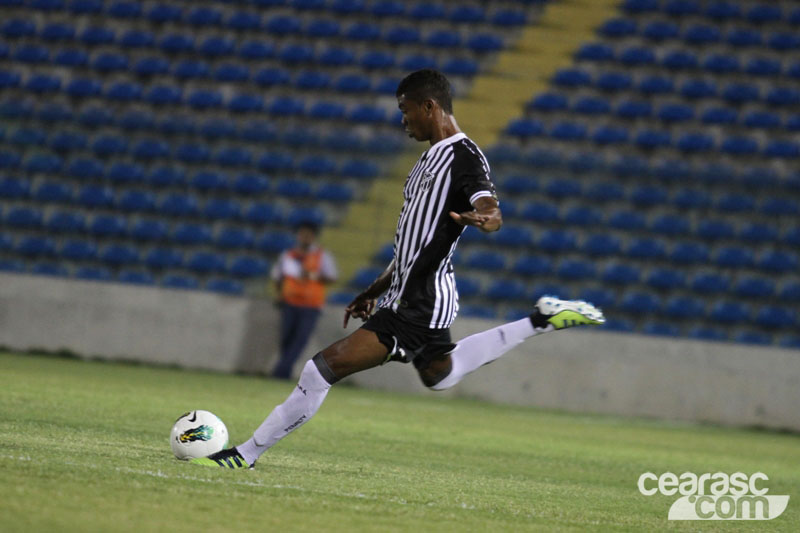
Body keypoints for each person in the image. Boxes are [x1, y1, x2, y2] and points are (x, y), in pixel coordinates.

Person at [193, 69, 605, 469]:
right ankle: (541, 319)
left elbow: (489, 207)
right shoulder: (425, 162)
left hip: (420, 302)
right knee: (439, 376)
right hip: (407, 294)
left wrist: (487, 219)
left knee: (320, 368)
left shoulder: (464, 156)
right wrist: (376, 288)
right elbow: (411, 243)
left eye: (405, 110)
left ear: (429, 106)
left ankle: (244, 454)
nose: (403, 120)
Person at [270, 222, 337, 379]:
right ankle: (283, 370)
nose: (305, 238)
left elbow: (332, 277)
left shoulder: (322, 256)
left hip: (311, 306)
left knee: (300, 339)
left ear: (313, 237)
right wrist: (279, 293)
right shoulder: (288, 255)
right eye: (302, 234)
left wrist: (312, 275)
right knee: (286, 338)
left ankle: (280, 371)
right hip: (289, 303)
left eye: (308, 235)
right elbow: (278, 276)